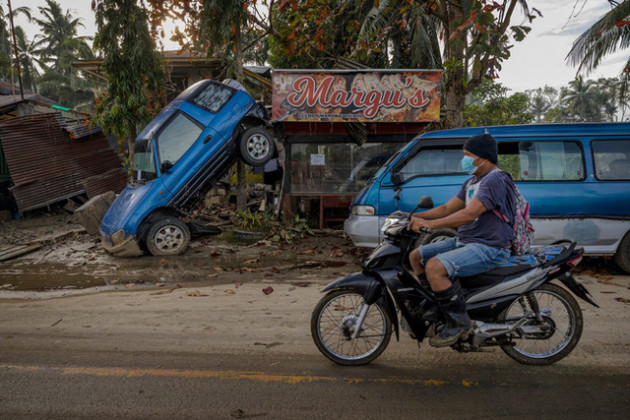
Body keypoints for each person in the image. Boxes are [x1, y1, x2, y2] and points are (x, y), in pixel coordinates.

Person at [408, 133, 516, 348]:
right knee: (416, 256)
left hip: (490, 247)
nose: (464, 160)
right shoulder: (473, 181)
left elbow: (469, 214)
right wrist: (412, 216)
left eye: (468, 155)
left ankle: (459, 323)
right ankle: (437, 306)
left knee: (434, 267)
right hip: (466, 241)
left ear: (483, 158)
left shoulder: (495, 180)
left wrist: (430, 225)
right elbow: (447, 208)